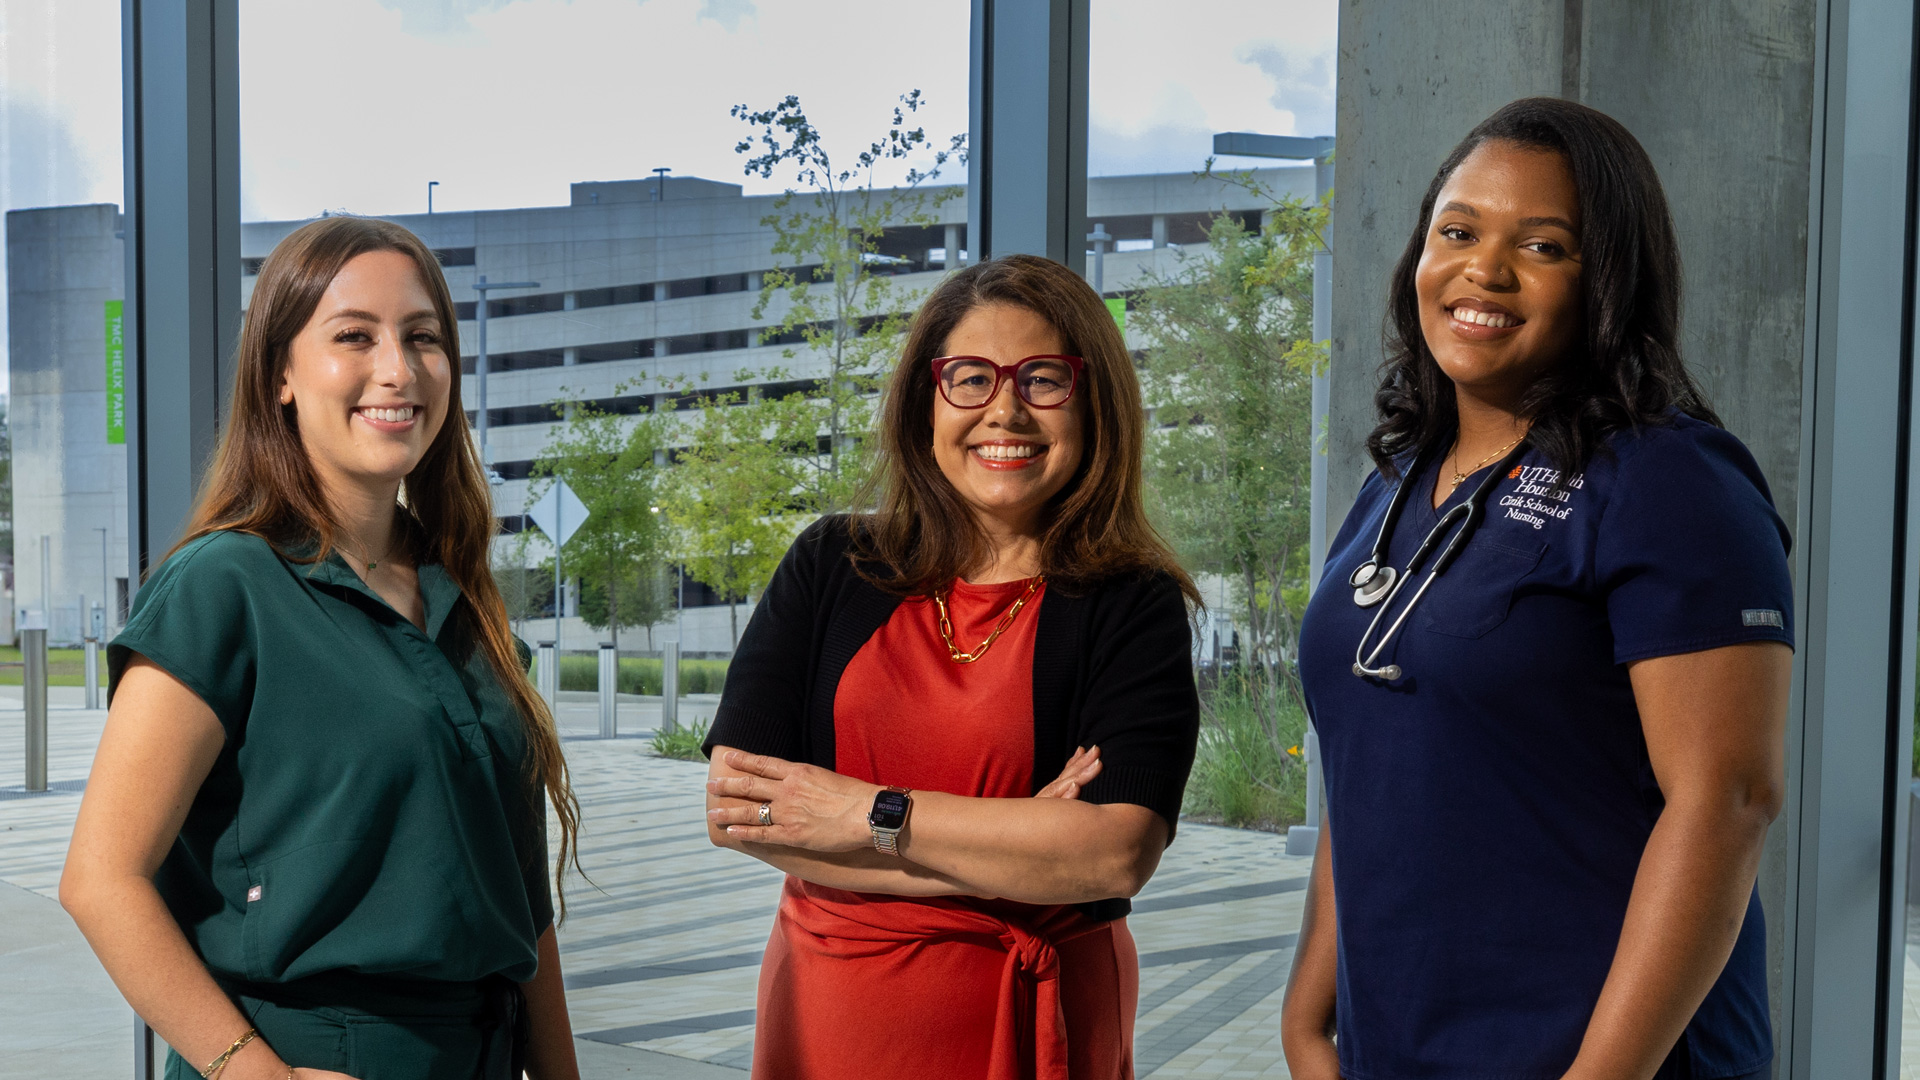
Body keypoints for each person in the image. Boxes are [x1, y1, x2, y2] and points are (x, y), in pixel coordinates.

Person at [1285, 97, 1793, 1080]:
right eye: (1458, 231)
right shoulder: (1394, 486)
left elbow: (1728, 800)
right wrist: (1309, 1021)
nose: (1486, 270)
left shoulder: (1670, 481)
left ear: (1607, 279)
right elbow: (1374, 763)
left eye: (1545, 245)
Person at [59, 216, 582, 1080]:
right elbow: (102, 878)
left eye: (423, 338)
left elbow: (525, 908)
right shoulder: (225, 585)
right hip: (315, 1057)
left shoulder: (466, 603)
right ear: (280, 379)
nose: (399, 369)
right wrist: (251, 1072)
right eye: (354, 337)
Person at [700, 254, 1201, 1079]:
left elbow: (1112, 855)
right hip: (831, 1017)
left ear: (1092, 401)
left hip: (1040, 1023)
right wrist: (1010, 856)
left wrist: (864, 812)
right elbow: (740, 810)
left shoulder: (1131, 600)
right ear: (925, 402)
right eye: (970, 377)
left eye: (1044, 379)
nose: (1005, 411)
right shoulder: (832, 561)